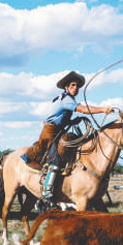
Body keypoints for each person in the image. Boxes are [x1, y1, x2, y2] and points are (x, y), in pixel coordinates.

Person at [22, 70, 113, 205]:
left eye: (77, 86)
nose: (75, 88)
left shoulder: (68, 99)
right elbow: (83, 109)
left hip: (59, 130)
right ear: (66, 87)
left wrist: (71, 122)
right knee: (56, 157)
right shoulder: (66, 99)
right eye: (72, 85)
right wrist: (102, 109)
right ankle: (47, 189)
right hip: (50, 133)